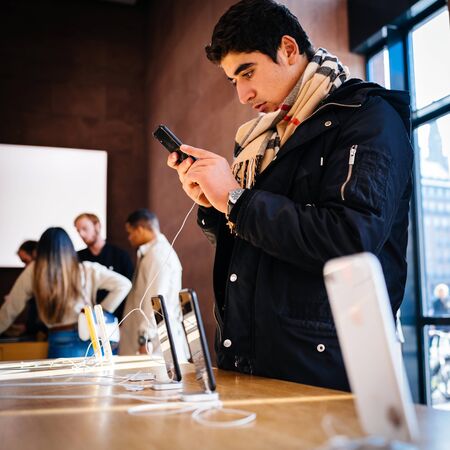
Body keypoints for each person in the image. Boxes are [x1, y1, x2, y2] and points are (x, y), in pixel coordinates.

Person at [167, 0, 413, 390]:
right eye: (233, 80)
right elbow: (257, 246)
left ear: (288, 48)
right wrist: (215, 206)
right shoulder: (265, 140)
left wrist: (235, 199)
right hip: (253, 361)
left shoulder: (368, 118)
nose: (243, 94)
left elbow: (351, 240)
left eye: (248, 72)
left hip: (323, 370)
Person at [0, 227, 132, 358]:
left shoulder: (34, 271)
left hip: (59, 339)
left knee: (61, 379)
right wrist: (99, 314)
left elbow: (10, 309)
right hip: (91, 338)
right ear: (69, 248)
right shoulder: (87, 269)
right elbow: (124, 284)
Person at [120, 209, 189, 361]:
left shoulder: (158, 255)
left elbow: (157, 299)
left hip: (157, 340)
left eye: (131, 233)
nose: (129, 238)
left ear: (140, 229)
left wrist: (144, 338)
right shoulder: (151, 253)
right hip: (154, 337)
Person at [74, 213, 134, 320]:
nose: (82, 234)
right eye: (78, 231)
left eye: (85, 228)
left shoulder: (120, 256)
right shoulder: (77, 258)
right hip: (84, 322)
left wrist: (103, 313)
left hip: (116, 321)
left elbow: (130, 290)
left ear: (97, 226)